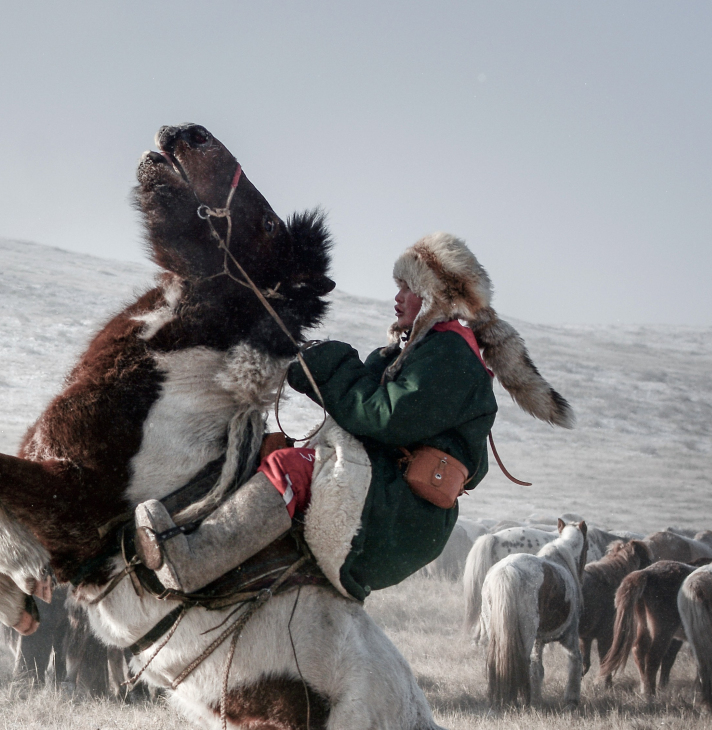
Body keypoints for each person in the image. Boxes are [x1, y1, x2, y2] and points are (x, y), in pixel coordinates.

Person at [134, 232, 564, 599]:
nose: (396, 298)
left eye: (406, 288)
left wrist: (332, 365)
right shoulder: (419, 351)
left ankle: (192, 564)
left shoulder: (451, 354)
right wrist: (316, 363)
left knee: (290, 469)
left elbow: (384, 417)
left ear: (436, 295)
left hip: (398, 511)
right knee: (270, 453)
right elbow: (368, 399)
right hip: (385, 490)